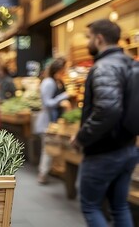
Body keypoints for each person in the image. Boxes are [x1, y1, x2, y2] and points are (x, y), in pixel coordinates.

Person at [71, 19, 137, 227]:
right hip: (128, 146)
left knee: (90, 205)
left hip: (104, 150)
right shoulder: (131, 63)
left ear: (99, 39)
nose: (88, 42)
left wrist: (82, 137)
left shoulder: (104, 67)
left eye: (89, 38)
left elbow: (108, 109)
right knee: (119, 206)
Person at [34, 57, 72, 184]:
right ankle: (43, 174)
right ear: (60, 68)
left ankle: (49, 171)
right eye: (65, 67)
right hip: (47, 121)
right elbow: (47, 103)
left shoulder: (58, 81)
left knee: (51, 147)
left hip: (54, 121)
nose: (67, 70)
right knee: (48, 148)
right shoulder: (49, 82)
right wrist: (65, 97)